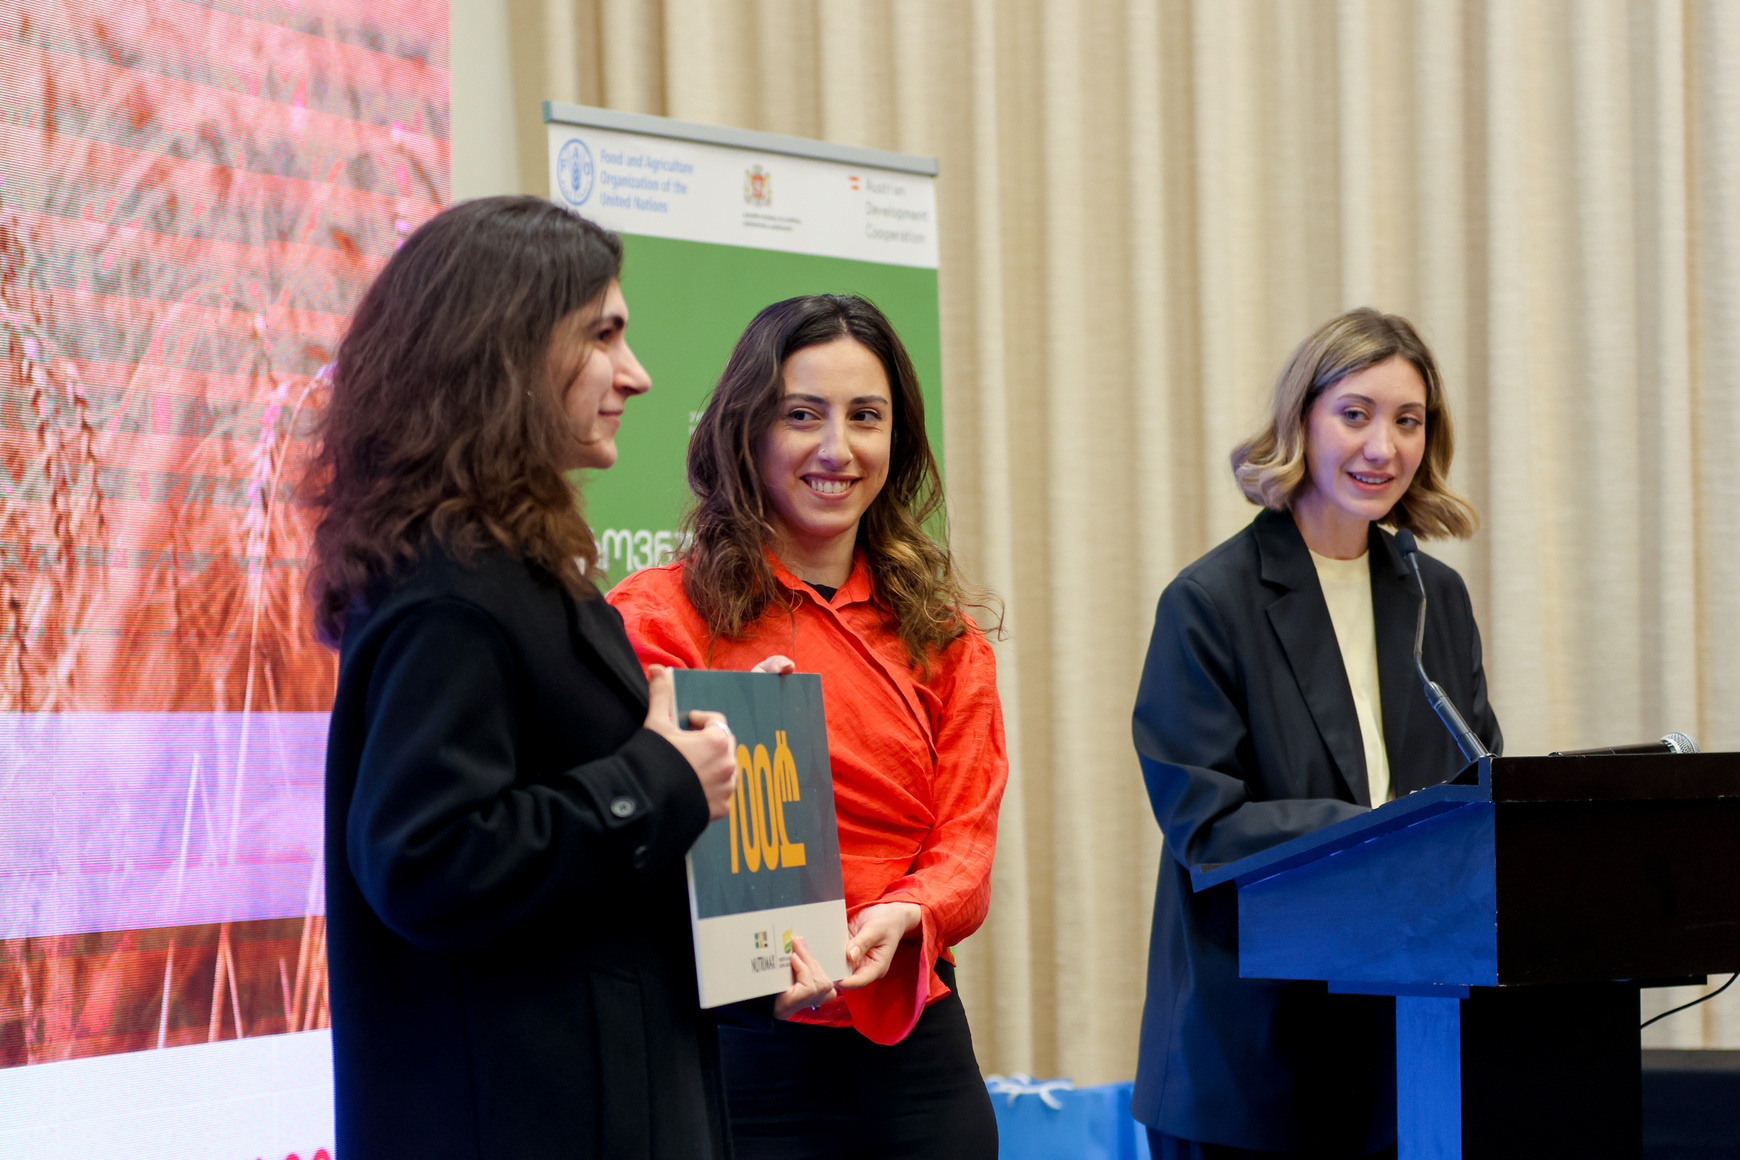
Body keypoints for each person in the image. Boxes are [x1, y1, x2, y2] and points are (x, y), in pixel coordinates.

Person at [304, 196, 832, 1160]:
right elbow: (427, 860)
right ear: (504, 349)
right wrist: (658, 776)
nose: (638, 374)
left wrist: (743, 961)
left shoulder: (515, 572)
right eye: (603, 335)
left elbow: (578, 885)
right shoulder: (453, 589)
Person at [609, 293, 1006, 1160]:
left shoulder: (945, 637)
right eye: (802, 416)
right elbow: (622, 837)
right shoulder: (656, 619)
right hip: (733, 1051)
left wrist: (911, 909)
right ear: (745, 430)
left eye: (866, 417)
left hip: (915, 1052)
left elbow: (967, 844)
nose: (837, 448)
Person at [1131, 308, 1503, 1158]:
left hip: (1408, 1049)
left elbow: (1479, 790)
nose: (1383, 447)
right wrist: (1388, 831)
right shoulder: (1209, 601)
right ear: (1301, 420)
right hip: (1252, 1059)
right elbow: (1207, 825)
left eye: (1408, 421)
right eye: (1355, 414)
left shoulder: (1433, 593)